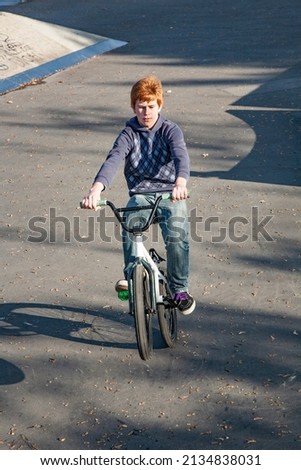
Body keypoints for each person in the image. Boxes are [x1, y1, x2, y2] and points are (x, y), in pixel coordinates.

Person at [82, 75, 195, 315]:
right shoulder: (128, 134)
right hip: (141, 195)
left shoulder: (170, 130)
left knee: (177, 237)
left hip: (170, 194)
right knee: (130, 224)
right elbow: (113, 159)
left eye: (151, 107)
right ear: (133, 107)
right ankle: (132, 279)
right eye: (140, 107)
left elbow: (180, 156)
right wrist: (96, 190)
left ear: (160, 106)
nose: (146, 112)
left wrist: (180, 182)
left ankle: (179, 289)